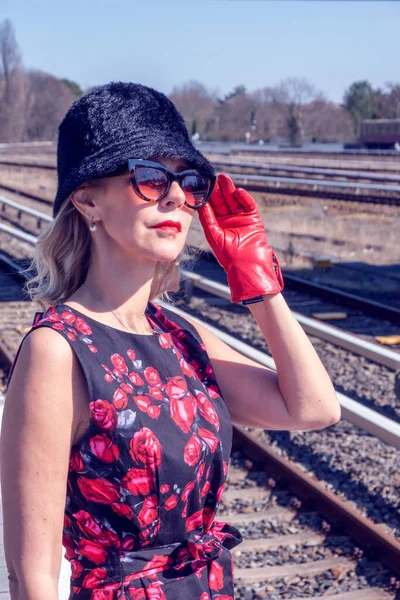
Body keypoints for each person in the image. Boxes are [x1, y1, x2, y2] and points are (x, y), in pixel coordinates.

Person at [0, 82, 340, 600]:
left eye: (188, 180)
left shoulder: (180, 337)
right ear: (87, 198)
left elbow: (314, 408)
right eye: (150, 177)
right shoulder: (58, 350)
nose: (177, 197)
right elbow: (34, 576)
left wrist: (257, 283)